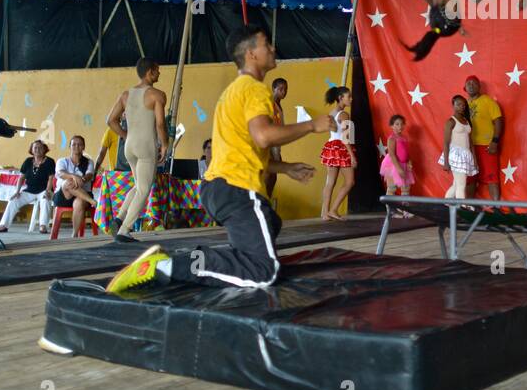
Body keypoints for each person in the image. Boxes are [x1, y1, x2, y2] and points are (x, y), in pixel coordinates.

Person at [103, 24, 332, 293]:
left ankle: (144, 236)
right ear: (251, 54)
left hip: (216, 187)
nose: (272, 48)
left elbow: (242, 150)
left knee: (270, 220)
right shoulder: (256, 90)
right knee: (264, 272)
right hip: (236, 190)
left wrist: (285, 167)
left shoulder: (232, 93)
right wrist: (312, 126)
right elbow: (264, 136)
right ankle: (165, 265)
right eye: (265, 44)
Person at [105, 58, 168, 244]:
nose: (159, 73)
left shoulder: (125, 95)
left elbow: (110, 120)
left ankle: (118, 219)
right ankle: (124, 231)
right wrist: (164, 145)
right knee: (143, 189)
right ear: (149, 72)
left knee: (139, 185)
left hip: (129, 146)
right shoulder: (157, 95)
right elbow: (160, 123)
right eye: (157, 70)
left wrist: (125, 135)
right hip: (146, 146)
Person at [0, 140, 55, 234]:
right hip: (29, 191)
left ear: (44, 149)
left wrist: (47, 191)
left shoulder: (49, 161)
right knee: (13, 200)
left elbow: (51, 178)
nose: (37, 149)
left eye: (40, 148)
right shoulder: (28, 161)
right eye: (35, 148)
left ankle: (43, 226)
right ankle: (3, 225)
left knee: (45, 200)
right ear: (32, 150)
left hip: (44, 190)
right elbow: (21, 178)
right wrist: (17, 191)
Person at [317, 86, 356, 222]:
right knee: (350, 181)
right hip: (341, 148)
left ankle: (325, 213)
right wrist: (351, 155)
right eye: (348, 96)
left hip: (331, 146)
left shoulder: (332, 112)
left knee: (330, 182)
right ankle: (333, 210)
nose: (351, 99)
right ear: (340, 98)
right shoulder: (344, 114)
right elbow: (345, 137)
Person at [463, 76, 503, 200]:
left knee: (492, 178)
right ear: (464, 88)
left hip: (486, 146)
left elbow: (498, 121)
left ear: (479, 86)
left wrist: (495, 141)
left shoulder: (488, 101)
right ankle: (469, 208)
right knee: (470, 179)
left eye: (474, 83)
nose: (471, 85)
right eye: (468, 83)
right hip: (468, 147)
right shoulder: (463, 105)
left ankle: (497, 210)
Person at [54, 135, 97, 238]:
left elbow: (90, 174)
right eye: (74, 144)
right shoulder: (62, 161)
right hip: (64, 195)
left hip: (82, 194)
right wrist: (74, 176)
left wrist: (82, 180)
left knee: (80, 202)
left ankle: (74, 234)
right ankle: (92, 201)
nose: (76, 146)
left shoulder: (88, 162)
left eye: (80, 144)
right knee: (67, 182)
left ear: (83, 147)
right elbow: (60, 173)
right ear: (70, 146)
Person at [439, 95, 477, 199]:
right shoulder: (451, 122)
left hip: (465, 155)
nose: (461, 107)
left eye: (463, 105)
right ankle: (463, 207)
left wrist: (475, 160)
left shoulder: (466, 121)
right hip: (456, 155)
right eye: (458, 104)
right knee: (461, 185)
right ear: (453, 105)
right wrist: (446, 162)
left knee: (457, 184)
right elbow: (446, 143)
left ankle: (446, 203)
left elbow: (471, 142)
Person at [262, 77, 288, 198]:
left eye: (286, 89)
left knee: (273, 176)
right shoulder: (269, 103)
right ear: (274, 89)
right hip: (269, 143)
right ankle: (264, 202)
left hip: (276, 144)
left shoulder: (278, 105)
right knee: (269, 175)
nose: (284, 92)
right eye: (281, 89)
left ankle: (267, 199)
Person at [380, 114, 415, 203]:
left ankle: (405, 210)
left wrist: (409, 162)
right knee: (392, 188)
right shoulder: (392, 138)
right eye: (397, 124)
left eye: (402, 124)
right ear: (392, 126)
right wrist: (399, 169)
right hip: (393, 165)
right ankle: (391, 211)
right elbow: (392, 154)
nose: (400, 126)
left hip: (403, 164)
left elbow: (406, 153)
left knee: (406, 188)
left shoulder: (404, 138)